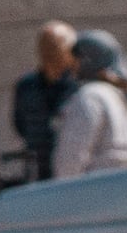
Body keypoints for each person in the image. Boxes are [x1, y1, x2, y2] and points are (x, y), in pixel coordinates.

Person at [51, 30, 127, 179]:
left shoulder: (91, 96)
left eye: (76, 60)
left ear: (88, 60)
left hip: (99, 191)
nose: (73, 67)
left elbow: (71, 158)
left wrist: (62, 194)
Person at [8, 20, 80, 191]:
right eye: (45, 46)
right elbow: (20, 125)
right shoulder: (26, 86)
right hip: (38, 174)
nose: (50, 52)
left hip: (74, 177)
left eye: (56, 46)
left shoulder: (80, 88)